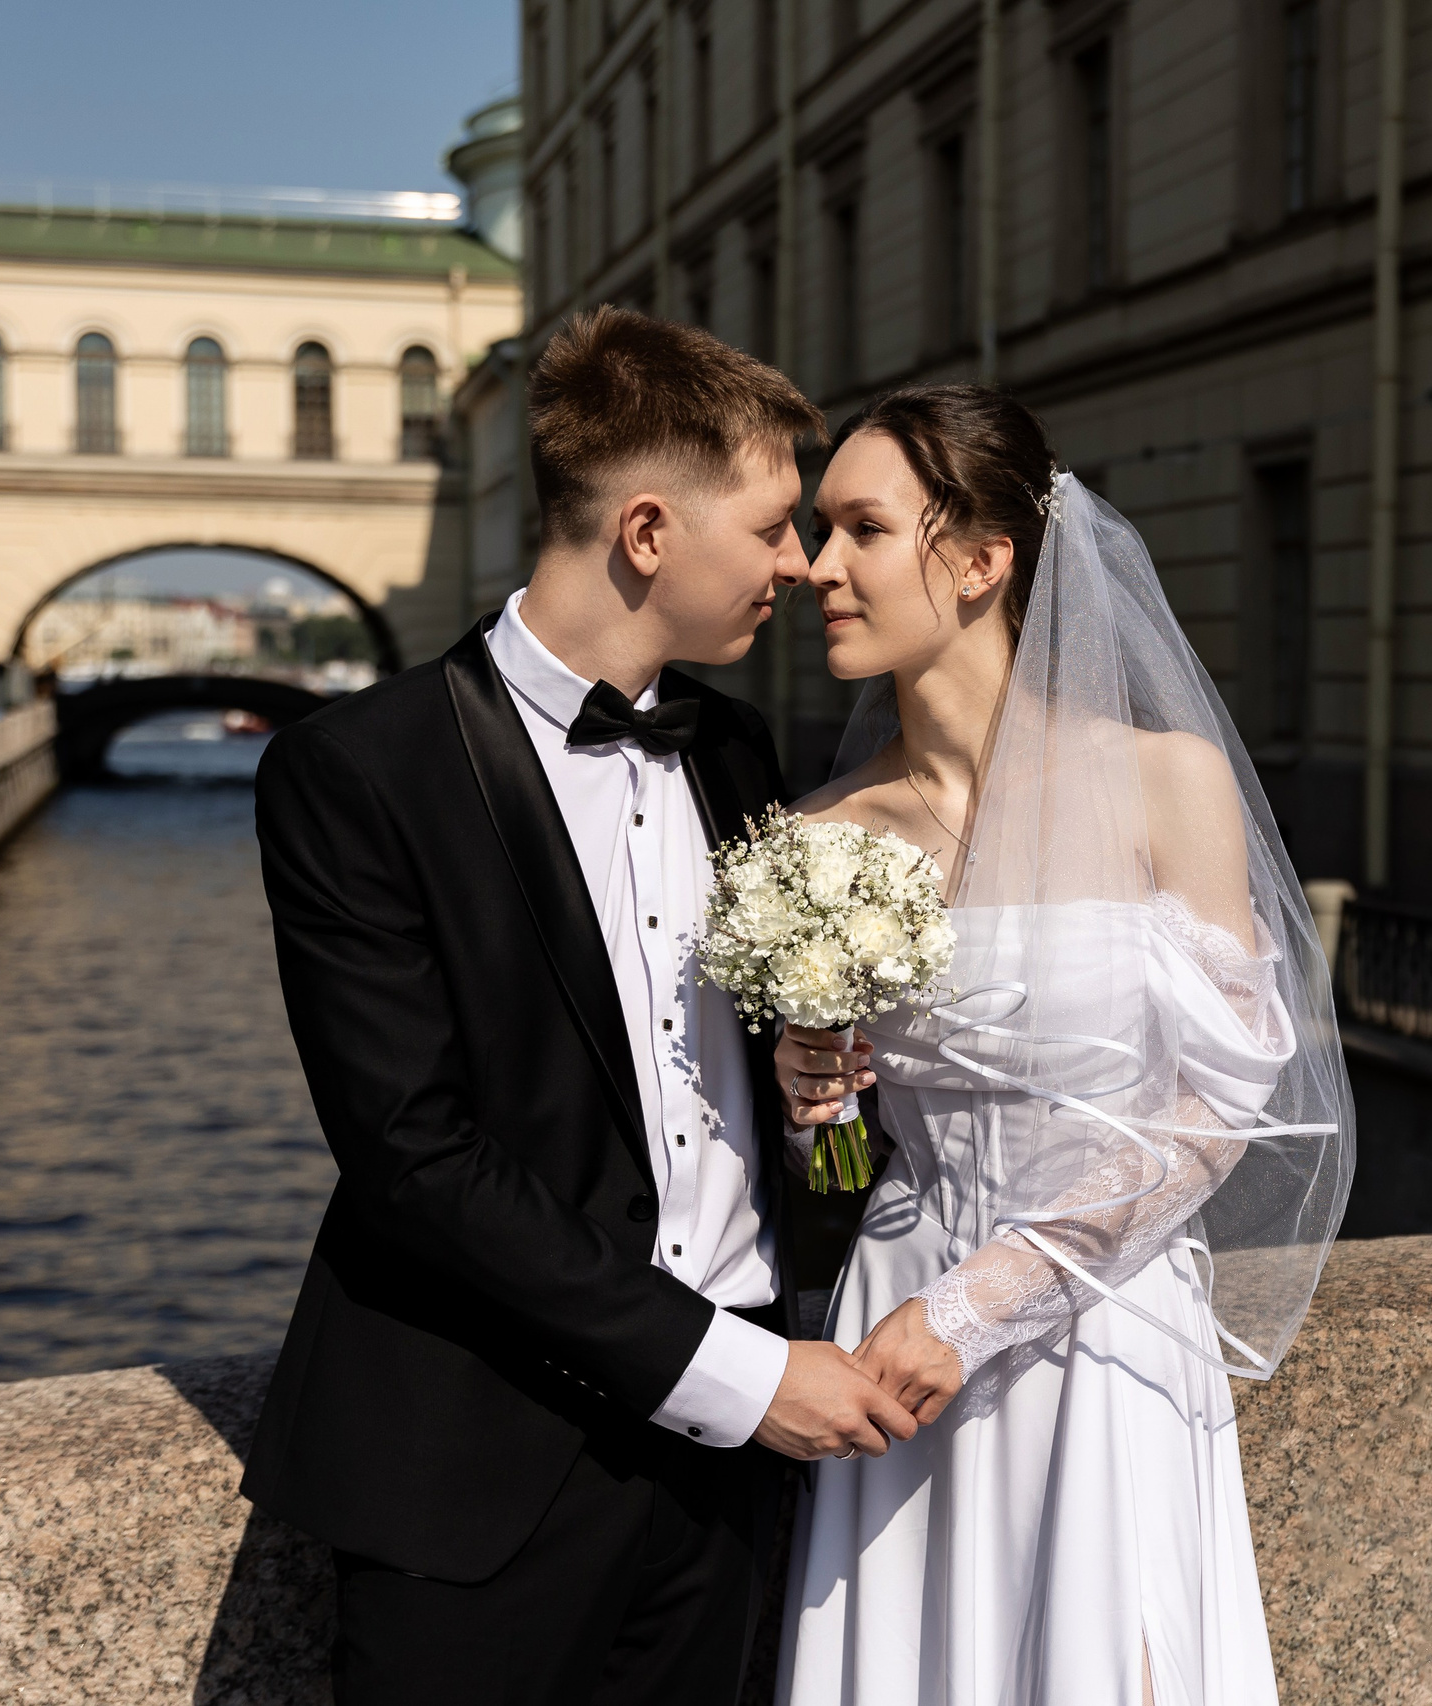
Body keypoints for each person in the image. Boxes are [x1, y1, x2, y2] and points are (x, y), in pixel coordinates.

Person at [242, 307, 919, 1706]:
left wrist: (830, 1126)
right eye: (778, 525)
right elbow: (413, 1158)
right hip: (484, 1472)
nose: (800, 567)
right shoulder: (355, 772)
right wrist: (738, 1374)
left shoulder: (733, 746)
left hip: (731, 1477)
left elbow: (791, 1108)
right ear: (650, 533)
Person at [773, 387, 1357, 1706]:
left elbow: (1221, 1102)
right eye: (820, 530)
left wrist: (984, 1299)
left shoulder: (1169, 781)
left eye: (862, 529)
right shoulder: (818, 837)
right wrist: (815, 1103)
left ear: (980, 563)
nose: (817, 567)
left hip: (1104, 1314)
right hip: (895, 1335)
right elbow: (834, 1168)